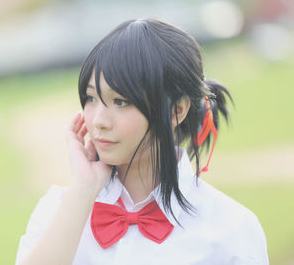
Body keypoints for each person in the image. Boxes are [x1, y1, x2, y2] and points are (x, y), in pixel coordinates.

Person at [15, 19, 269, 264]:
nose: (98, 121)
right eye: (91, 98)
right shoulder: (57, 211)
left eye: (121, 102)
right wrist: (83, 189)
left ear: (176, 111)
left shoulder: (231, 229)